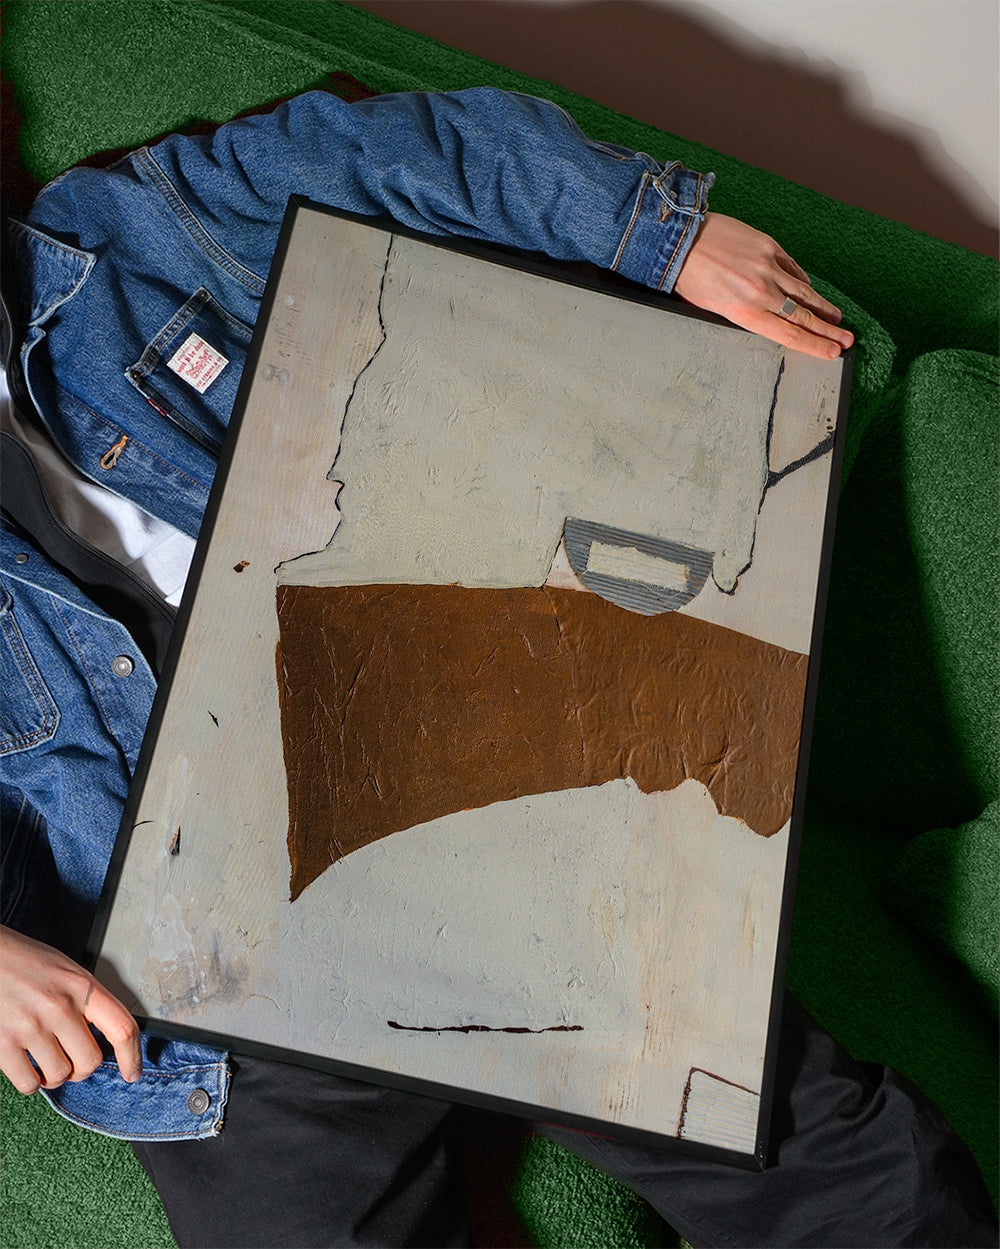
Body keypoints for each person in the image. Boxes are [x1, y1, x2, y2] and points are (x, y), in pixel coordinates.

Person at [0, 87, 994, 1248]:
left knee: (820, 1165)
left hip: (441, 766)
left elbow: (399, 149)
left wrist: (659, 236)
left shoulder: (131, 227)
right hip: (191, 957)